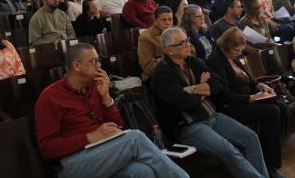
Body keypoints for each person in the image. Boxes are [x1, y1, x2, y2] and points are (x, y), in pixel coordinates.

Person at [35, 43, 189, 178]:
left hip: (104, 151)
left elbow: (117, 126)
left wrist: (107, 98)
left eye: (98, 61)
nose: (99, 66)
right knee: (134, 138)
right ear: (76, 66)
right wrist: (89, 137)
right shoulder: (50, 97)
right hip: (72, 164)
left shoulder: (95, 87)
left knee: (142, 171)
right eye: (93, 62)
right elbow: (48, 149)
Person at [152, 27, 269, 178]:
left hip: (211, 115)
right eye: (182, 43)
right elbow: (184, 103)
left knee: (250, 138)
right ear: (169, 50)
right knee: (229, 150)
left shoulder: (193, 61)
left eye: (187, 40)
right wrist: (202, 89)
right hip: (189, 126)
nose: (188, 44)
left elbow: (218, 85)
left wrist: (191, 89)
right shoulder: (162, 73)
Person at [206, 28, 287, 178]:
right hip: (231, 106)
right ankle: (269, 165)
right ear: (227, 46)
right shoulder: (215, 61)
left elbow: (248, 78)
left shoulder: (233, 57)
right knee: (272, 112)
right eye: (237, 50)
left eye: (240, 50)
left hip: (247, 99)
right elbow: (224, 95)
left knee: (280, 106)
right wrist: (251, 98)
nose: (239, 53)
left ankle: (269, 157)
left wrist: (260, 86)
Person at [137, 6, 173, 80]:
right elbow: (148, 69)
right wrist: (173, 57)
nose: (168, 23)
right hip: (159, 76)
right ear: (155, 21)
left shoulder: (178, 32)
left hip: (180, 72)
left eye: (170, 19)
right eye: (163, 20)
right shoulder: (145, 38)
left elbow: (191, 52)